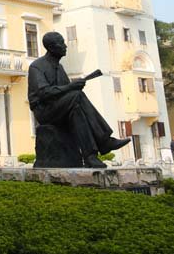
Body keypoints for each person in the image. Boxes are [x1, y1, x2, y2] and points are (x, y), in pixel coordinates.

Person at [28, 31, 131, 169]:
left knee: (77, 109)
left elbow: (65, 93)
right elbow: (43, 93)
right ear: (51, 48)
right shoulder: (37, 66)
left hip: (60, 108)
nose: (65, 46)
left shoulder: (60, 67)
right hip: (45, 111)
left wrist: (74, 86)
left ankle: (90, 157)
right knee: (76, 96)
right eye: (61, 43)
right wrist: (71, 87)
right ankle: (104, 141)